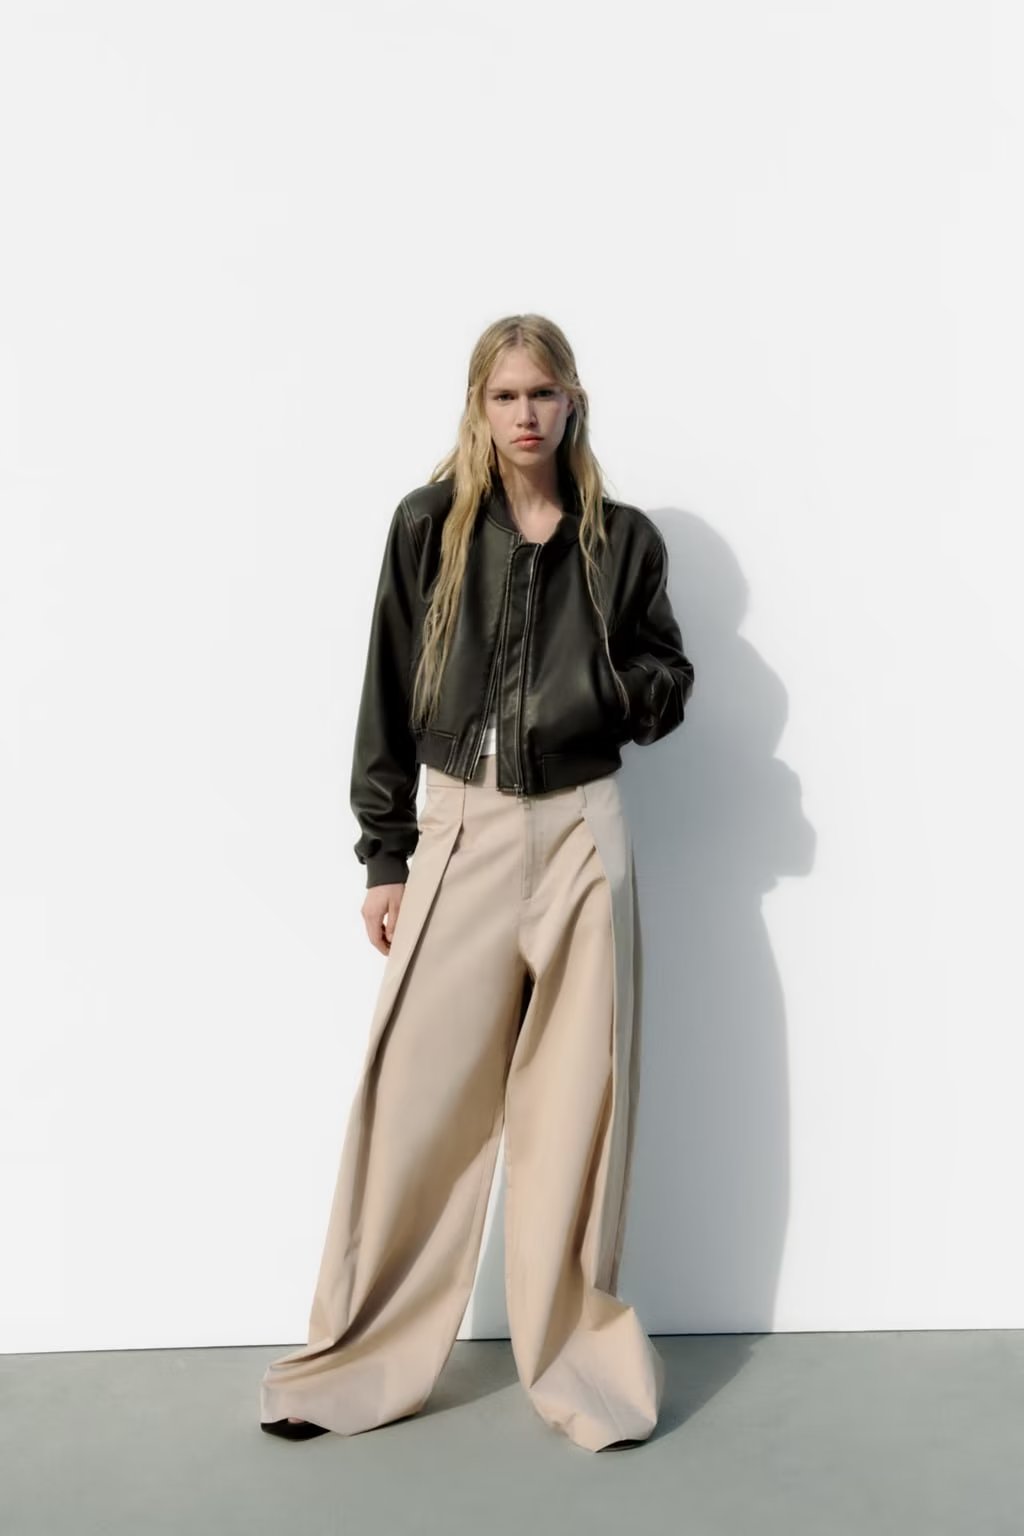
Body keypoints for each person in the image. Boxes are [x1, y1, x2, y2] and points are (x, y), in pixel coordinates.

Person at [259, 313, 695, 1452]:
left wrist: (613, 690)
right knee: (413, 1106)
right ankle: (352, 1366)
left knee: (576, 1116)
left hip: (585, 832)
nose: (524, 415)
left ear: (572, 400)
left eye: (542, 393)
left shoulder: (622, 540)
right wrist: (384, 853)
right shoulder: (429, 526)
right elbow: (384, 686)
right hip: (461, 826)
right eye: (505, 395)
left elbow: (666, 675)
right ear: (477, 405)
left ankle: (586, 1376)